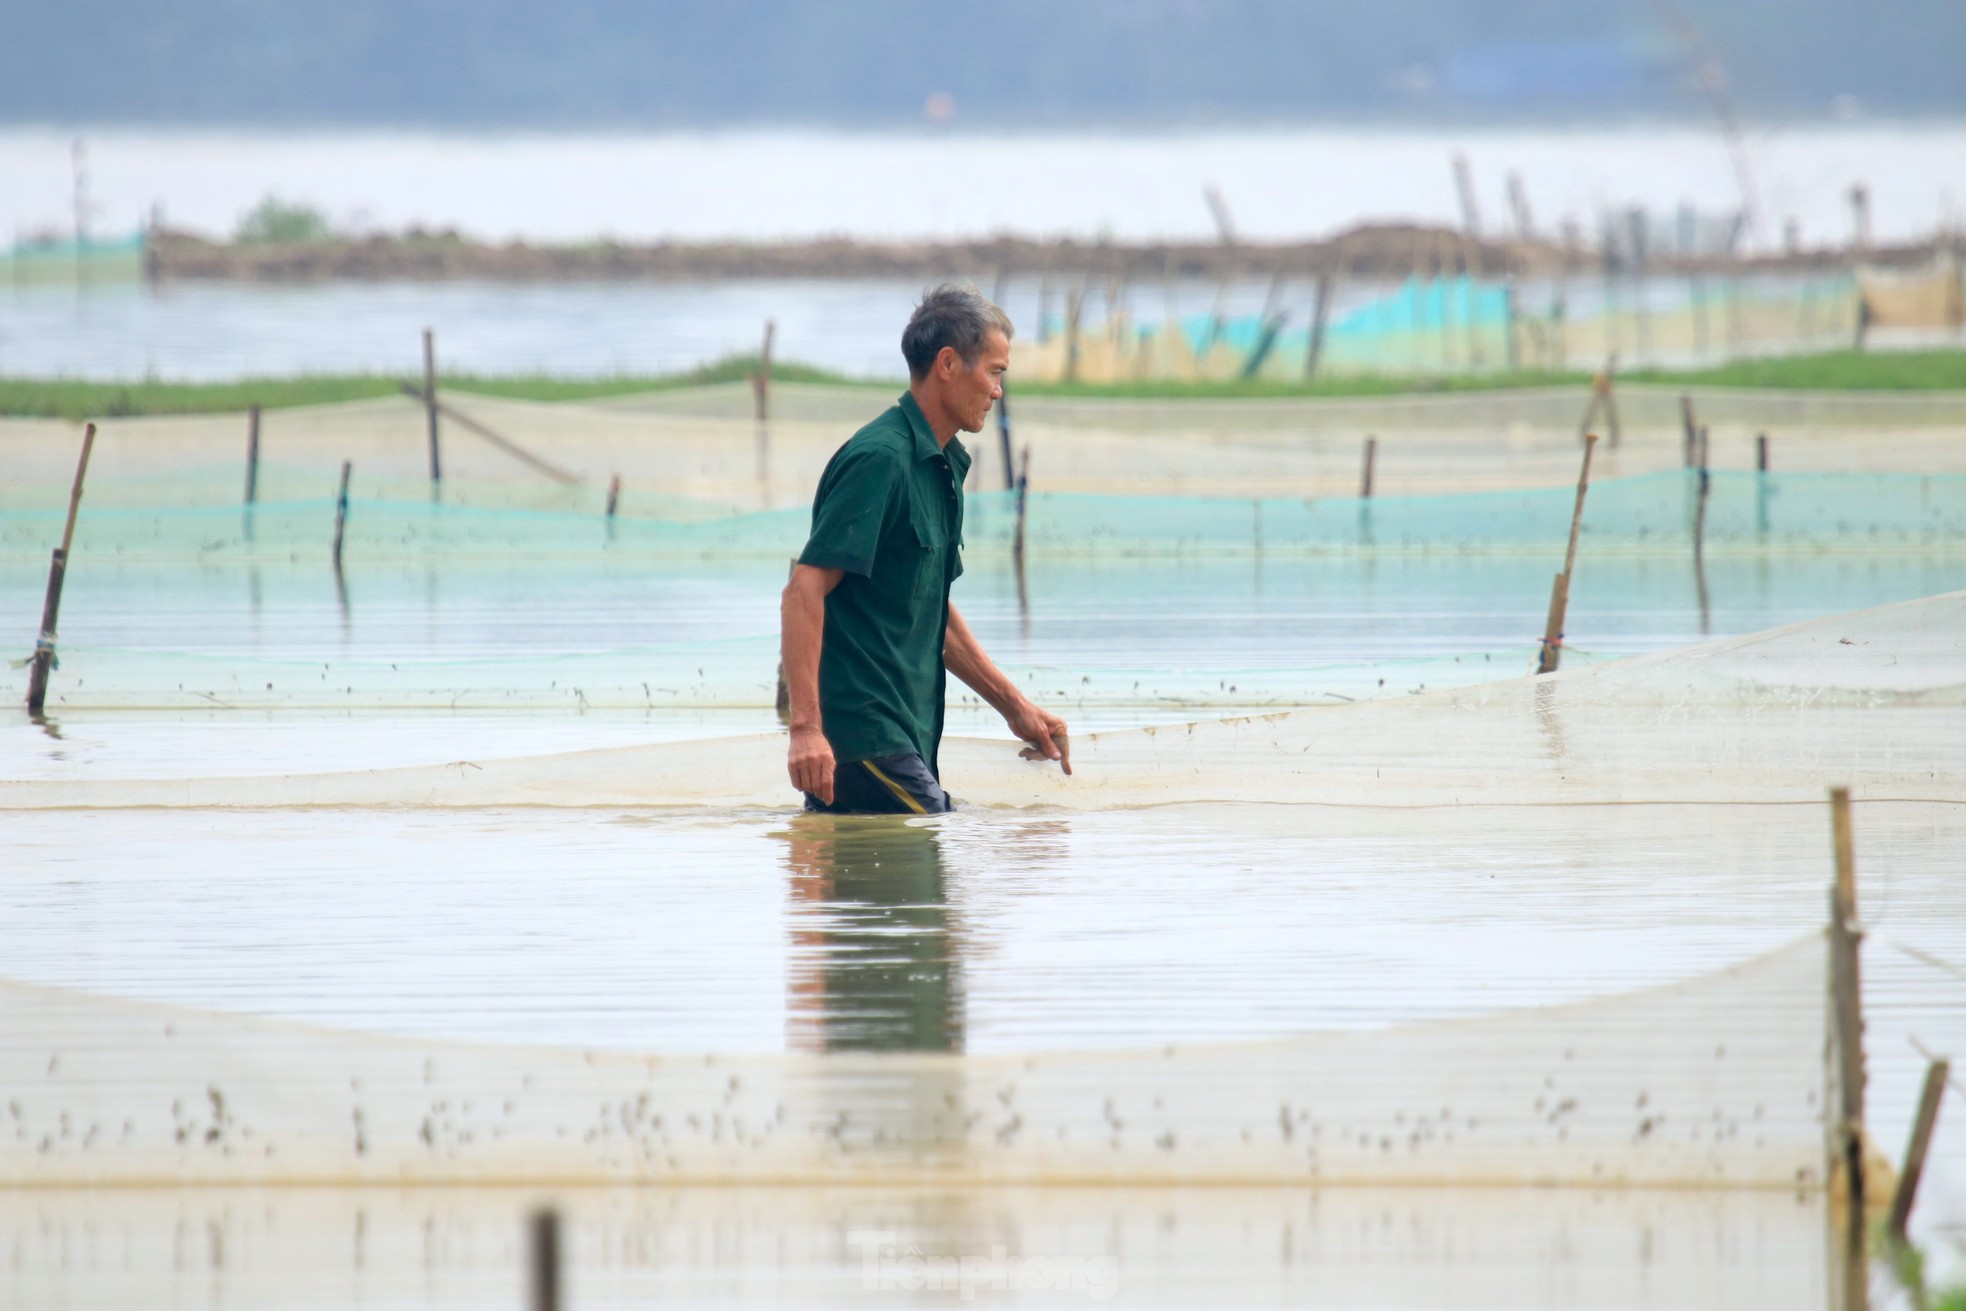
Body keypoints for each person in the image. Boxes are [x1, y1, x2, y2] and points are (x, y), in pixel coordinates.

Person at [781, 284, 1070, 813]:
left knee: (924, 868)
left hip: (906, 736)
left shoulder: (944, 464)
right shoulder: (881, 459)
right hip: (862, 735)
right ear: (947, 364)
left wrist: (1017, 708)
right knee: (937, 843)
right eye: (995, 372)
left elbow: (931, 609)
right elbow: (804, 589)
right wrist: (804, 730)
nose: (999, 391)